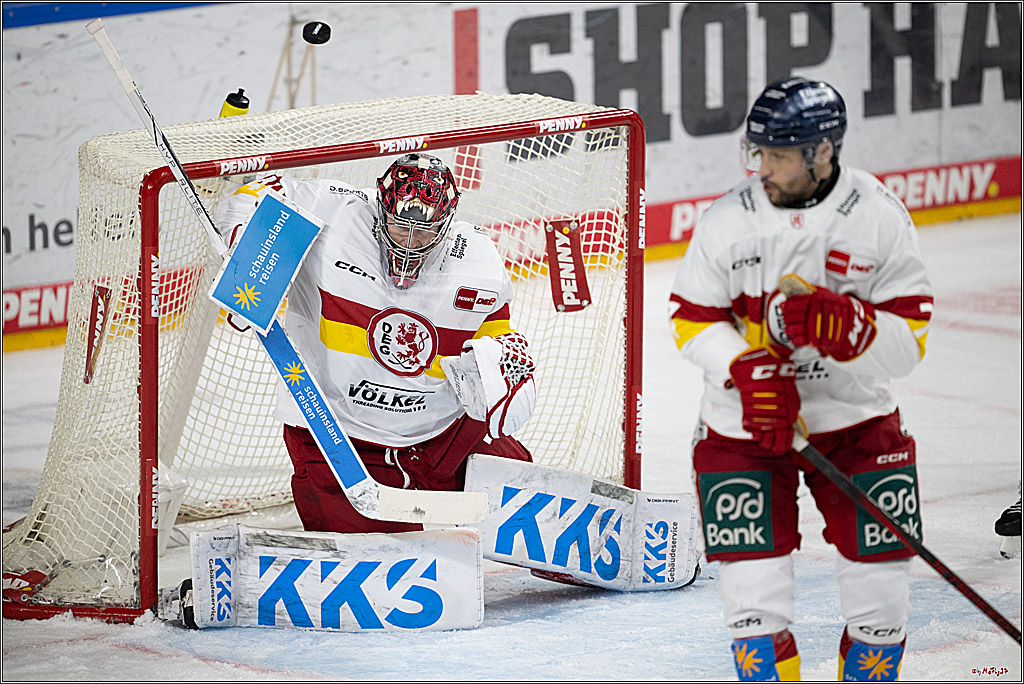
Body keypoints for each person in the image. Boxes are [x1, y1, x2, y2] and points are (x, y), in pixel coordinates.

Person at [669, 77, 934, 681]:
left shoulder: (879, 216)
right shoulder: (725, 220)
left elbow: (910, 344)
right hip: (743, 431)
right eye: (756, 151)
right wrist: (742, 366)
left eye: (778, 154)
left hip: (857, 424)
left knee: (881, 600)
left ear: (822, 152)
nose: (762, 166)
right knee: (752, 610)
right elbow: (690, 318)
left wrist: (851, 327)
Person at [214, 153, 535, 534]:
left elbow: (494, 333)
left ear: (447, 224)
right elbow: (250, 198)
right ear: (380, 209)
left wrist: (499, 364)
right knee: (382, 565)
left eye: (426, 231)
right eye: (401, 226)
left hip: (440, 437)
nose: (411, 243)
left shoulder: (478, 260)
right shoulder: (335, 210)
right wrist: (250, 257)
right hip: (340, 440)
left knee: (528, 497)